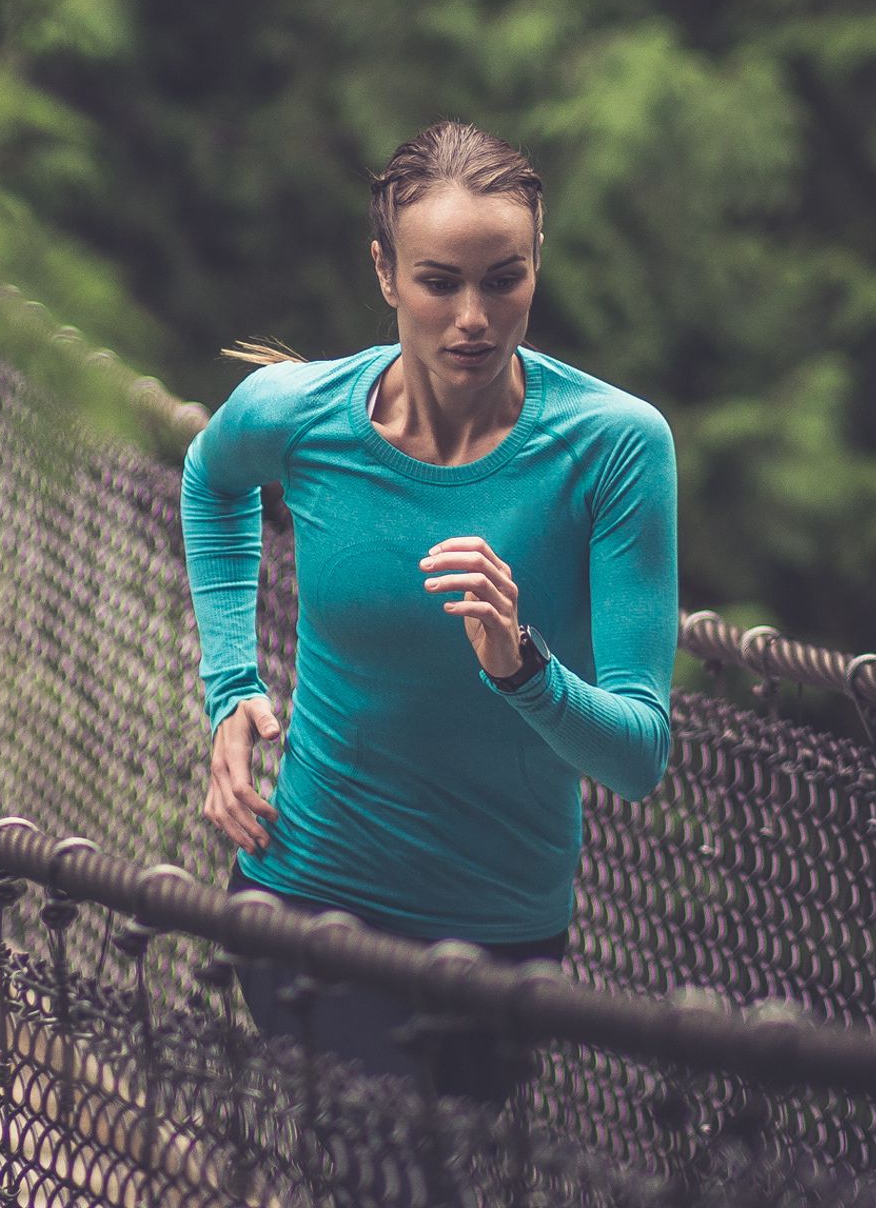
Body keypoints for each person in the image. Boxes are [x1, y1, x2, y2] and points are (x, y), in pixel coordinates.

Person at [180, 120, 678, 1107]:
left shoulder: (616, 448)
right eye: (438, 279)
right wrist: (231, 682)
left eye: (503, 278)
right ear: (384, 273)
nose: (473, 315)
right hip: (302, 898)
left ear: (538, 265)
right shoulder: (296, 410)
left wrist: (520, 664)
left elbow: (637, 755)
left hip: (498, 939)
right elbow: (211, 479)